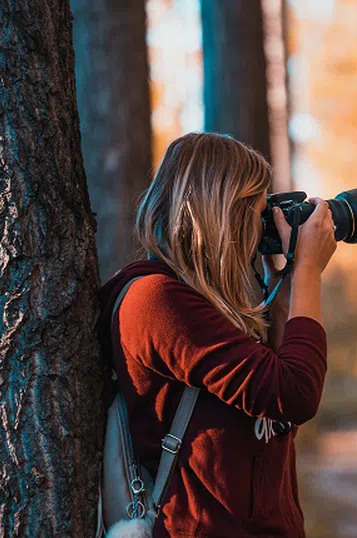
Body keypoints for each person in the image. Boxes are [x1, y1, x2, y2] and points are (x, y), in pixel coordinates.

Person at [97, 132, 336, 537]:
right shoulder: (156, 299)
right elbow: (294, 393)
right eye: (256, 215)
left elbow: (272, 401)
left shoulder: (209, 304)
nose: (259, 230)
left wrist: (281, 282)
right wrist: (308, 272)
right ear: (226, 213)